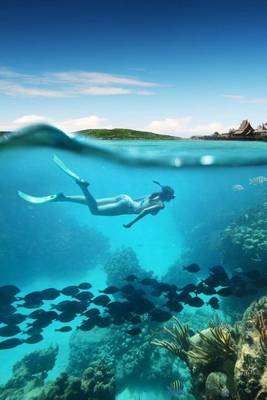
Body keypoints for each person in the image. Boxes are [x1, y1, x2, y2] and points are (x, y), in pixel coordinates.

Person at [18, 156, 175, 229]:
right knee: (95, 211)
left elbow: (137, 199)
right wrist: (131, 223)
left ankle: (63, 198)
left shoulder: (153, 194)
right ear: (168, 197)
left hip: (125, 198)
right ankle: (83, 186)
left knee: (92, 202)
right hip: (127, 208)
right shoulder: (160, 205)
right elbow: (144, 212)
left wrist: (127, 203)